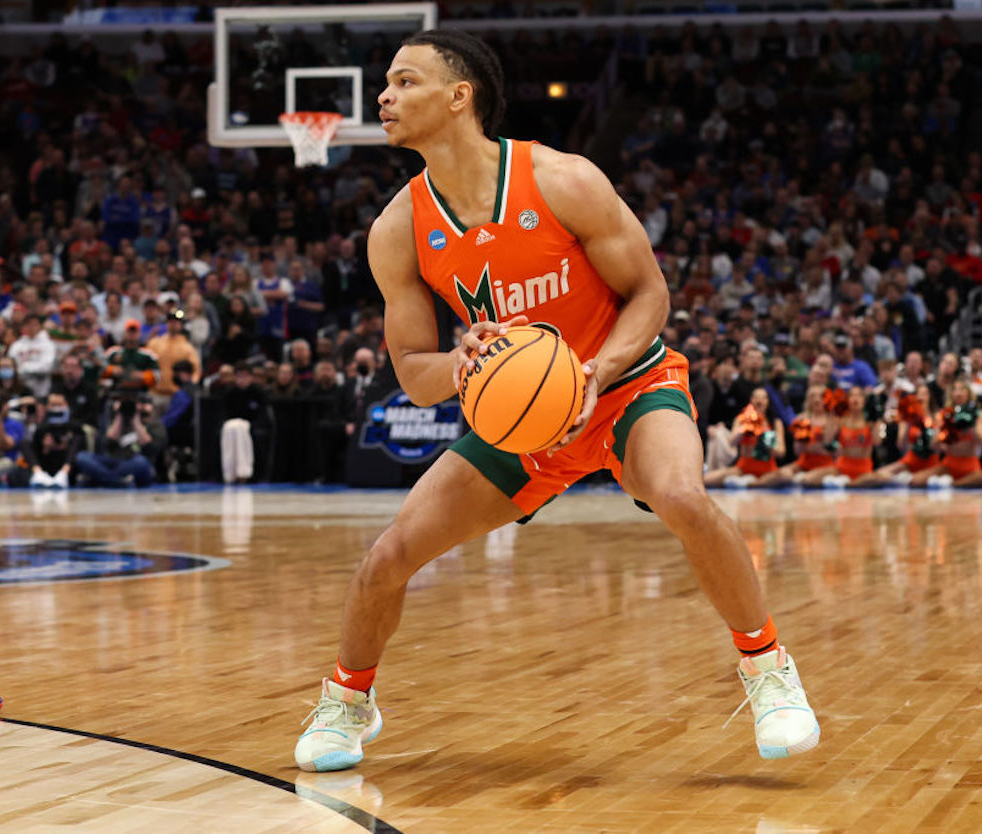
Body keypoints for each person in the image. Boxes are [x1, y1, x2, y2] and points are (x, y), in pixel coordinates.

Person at [294, 31, 819, 773]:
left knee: (682, 496)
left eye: (404, 81)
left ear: (458, 96)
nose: (384, 96)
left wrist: (597, 372)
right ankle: (348, 703)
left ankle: (768, 671)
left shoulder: (562, 180)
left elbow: (650, 294)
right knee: (388, 556)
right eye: (385, 83)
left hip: (624, 382)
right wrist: (463, 361)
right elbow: (415, 373)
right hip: (519, 414)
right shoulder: (397, 229)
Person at [74, 393, 165, 487]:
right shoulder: (117, 421)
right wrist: (119, 415)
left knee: (141, 462)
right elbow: (107, 442)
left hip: (133, 462)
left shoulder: (154, 425)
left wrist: (135, 419)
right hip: (115, 461)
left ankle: (101, 479)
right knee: (82, 457)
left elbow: (149, 445)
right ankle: (117, 480)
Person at [755, 385, 836, 487]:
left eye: (820, 396)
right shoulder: (801, 418)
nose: (817, 400)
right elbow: (797, 450)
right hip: (803, 462)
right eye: (813, 396)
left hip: (826, 464)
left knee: (808, 479)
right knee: (782, 474)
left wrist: (812, 446)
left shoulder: (833, 420)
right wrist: (811, 445)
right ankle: (752, 485)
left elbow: (829, 447)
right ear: (808, 399)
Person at [703, 388, 786, 487]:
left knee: (786, 475)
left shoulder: (776, 422)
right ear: (751, 400)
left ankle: (751, 483)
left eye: (763, 398)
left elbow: (781, 452)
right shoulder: (741, 419)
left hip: (768, 469)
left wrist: (766, 438)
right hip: (743, 468)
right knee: (707, 479)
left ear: (767, 401)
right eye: (756, 398)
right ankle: (750, 481)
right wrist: (745, 427)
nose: (759, 401)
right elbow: (731, 442)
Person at [910, 381, 982, 487]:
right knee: (915, 481)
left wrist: (971, 422)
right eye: (955, 390)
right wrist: (944, 435)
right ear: (951, 394)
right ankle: (950, 483)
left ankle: (954, 484)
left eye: (962, 389)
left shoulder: (978, 413)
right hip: (949, 463)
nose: (958, 393)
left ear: (968, 393)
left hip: (970, 464)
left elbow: (981, 441)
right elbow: (934, 445)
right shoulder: (944, 414)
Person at [798, 387, 879, 487]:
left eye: (859, 395)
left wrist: (877, 420)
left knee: (880, 478)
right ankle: (845, 483)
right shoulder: (841, 420)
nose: (855, 399)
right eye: (852, 395)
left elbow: (877, 442)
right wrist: (833, 412)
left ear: (864, 400)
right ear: (847, 400)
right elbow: (827, 442)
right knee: (807, 480)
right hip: (842, 467)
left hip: (863, 469)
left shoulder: (870, 422)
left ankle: (848, 484)